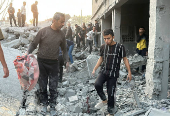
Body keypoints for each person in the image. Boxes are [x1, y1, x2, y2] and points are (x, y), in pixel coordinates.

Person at [26, 12, 69, 116]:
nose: (63, 24)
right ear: (54, 20)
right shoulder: (43, 31)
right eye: (61, 22)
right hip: (41, 63)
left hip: (54, 63)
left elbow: (64, 49)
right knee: (42, 85)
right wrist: (27, 53)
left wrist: (66, 61)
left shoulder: (62, 34)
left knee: (54, 86)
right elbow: (34, 44)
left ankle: (53, 105)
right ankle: (44, 104)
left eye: (64, 22)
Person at [92, 29, 132, 116]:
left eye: (108, 38)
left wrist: (129, 72)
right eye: (105, 39)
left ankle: (110, 112)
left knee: (111, 93)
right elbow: (101, 58)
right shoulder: (103, 47)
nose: (106, 41)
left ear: (113, 37)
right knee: (97, 84)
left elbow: (125, 59)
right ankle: (104, 100)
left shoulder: (120, 47)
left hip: (113, 74)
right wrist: (95, 68)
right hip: (104, 71)